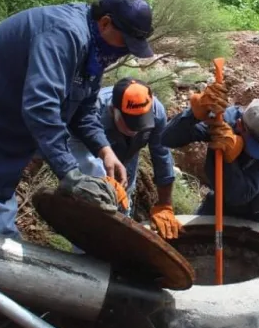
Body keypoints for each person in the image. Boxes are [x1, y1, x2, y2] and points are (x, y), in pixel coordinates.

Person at [0, 0, 155, 240]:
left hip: (1, 121)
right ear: (105, 22)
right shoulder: (64, 34)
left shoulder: (95, 48)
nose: (125, 52)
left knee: (87, 174)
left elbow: (83, 109)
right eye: (126, 44)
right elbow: (41, 106)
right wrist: (69, 173)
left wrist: (104, 150)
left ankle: (90, 251)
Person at [161, 85, 259, 229]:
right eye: (256, 144)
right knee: (192, 237)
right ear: (241, 126)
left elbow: (240, 194)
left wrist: (230, 156)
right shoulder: (224, 122)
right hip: (220, 202)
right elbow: (167, 139)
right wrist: (192, 114)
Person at [69, 78, 182, 240]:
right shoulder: (92, 111)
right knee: (91, 209)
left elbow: (162, 156)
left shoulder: (156, 112)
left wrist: (165, 205)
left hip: (127, 157)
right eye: (130, 123)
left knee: (123, 204)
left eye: (141, 123)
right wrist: (101, 181)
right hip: (90, 155)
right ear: (112, 110)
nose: (136, 129)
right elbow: (80, 154)